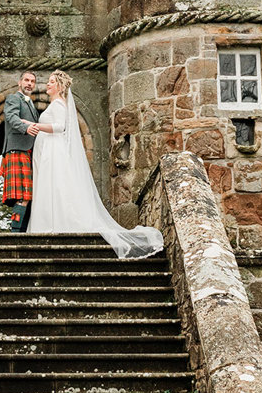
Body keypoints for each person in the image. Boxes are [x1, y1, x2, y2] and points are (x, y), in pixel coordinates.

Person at [28, 70, 164, 260]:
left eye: (51, 82)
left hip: (53, 151)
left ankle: (53, 224)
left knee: (54, 186)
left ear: (59, 86)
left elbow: (60, 128)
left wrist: (34, 125)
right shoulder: (55, 103)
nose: (47, 85)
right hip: (49, 150)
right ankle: (47, 223)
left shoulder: (59, 104)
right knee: (51, 187)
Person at [0, 70, 40, 232]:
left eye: (32, 81)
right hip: (17, 149)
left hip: (27, 151)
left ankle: (19, 231)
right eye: (27, 80)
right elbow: (11, 116)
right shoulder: (14, 98)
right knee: (23, 195)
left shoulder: (30, 103)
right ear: (19, 82)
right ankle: (15, 232)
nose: (29, 83)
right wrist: (26, 127)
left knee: (26, 196)